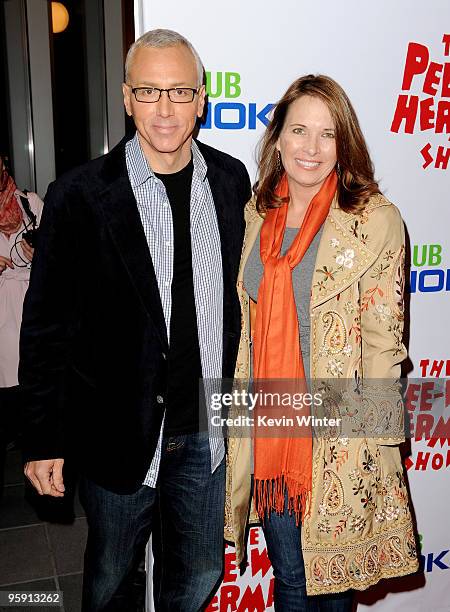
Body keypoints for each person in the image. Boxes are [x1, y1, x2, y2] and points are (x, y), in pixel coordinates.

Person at [19, 29, 251, 611]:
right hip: (117, 428)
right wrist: (44, 438)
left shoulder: (230, 182)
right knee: (110, 581)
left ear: (202, 98)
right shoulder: (78, 194)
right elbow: (45, 327)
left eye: (178, 91)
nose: (165, 108)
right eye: (149, 92)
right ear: (127, 98)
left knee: (199, 573)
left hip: (205, 427)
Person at [225, 75, 419, 610]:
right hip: (273, 421)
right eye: (299, 131)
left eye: (327, 134)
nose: (311, 148)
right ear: (278, 139)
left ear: (344, 142)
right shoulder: (257, 214)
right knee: (291, 577)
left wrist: (375, 441)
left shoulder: (374, 220)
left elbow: (384, 337)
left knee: (331, 587)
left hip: (339, 430)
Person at [0, 154, 43, 498]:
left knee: (32, 396)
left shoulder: (29, 203)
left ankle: (39, 474)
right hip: (2, 314)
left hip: (31, 308)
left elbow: (58, 249)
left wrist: (38, 252)